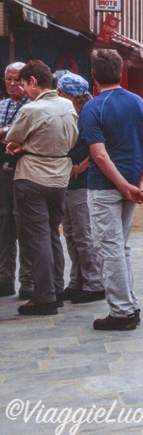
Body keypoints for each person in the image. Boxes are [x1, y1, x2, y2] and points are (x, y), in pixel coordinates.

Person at [81, 49, 143, 331]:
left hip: (105, 186)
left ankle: (122, 311)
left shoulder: (92, 107)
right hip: (132, 185)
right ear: (120, 71)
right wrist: (141, 183)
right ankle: (129, 303)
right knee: (121, 247)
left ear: (94, 75)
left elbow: (100, 156)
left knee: (109, 248)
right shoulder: (140, 104)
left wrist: (123, 185)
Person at [6, 60, 78, 316]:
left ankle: (44, 296)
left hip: (33, 177)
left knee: (36, 238)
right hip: (59, 177)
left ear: (33, 82)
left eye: (24, 84)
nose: (22, 89)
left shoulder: (32, 109)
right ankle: (55, 289)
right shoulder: (67, 105)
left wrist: (23, 146)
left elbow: (13, 137)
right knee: (51, 234)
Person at [56, 73, 104, 305]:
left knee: (83, 234)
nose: (59, 96)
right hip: (70, 181)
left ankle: (94, 282)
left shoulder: (88, 114)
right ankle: (77, 280)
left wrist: (82, 166)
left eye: (62, 93)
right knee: (71, 234)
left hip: (82, 182)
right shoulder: (73, 114)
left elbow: (98, 147)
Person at [0, 62, 31, 299]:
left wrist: (8, 132)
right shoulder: (3, 105)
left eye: (17, 79)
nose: (12, 84)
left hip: (24, 170)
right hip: (3, 170)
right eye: (8, 79)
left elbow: (22, 133)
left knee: (24, 222)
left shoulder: (32, 106)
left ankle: (27, 280)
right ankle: (4, 278)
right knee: (4, 222)